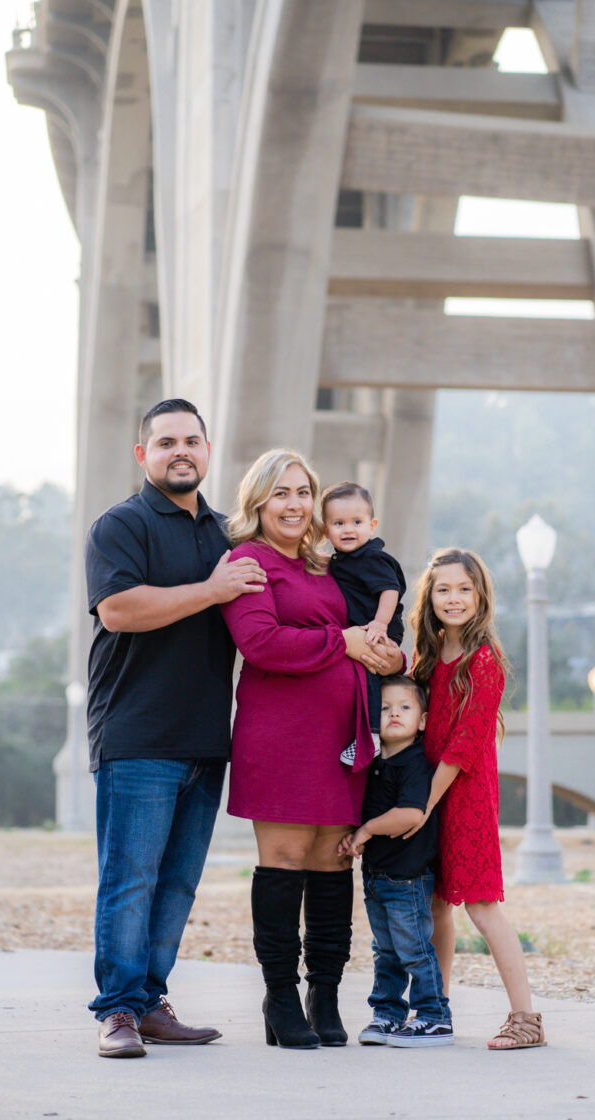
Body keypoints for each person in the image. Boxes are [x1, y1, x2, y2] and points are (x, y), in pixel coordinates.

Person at [85, 398, 267, 1058]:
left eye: (192, 439)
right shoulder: (120, 526)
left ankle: (150, 1000)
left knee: (179, 881)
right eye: (166, 442)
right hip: (135, 734)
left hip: (205, 738)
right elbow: (119, 610)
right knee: (130, 879)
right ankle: (117, 1014)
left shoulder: (227, 534)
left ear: (208, 450)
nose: (179, 450)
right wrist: (212, 591)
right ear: (144, 455)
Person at [219, 449, 404, 1050]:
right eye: (281, 493)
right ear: (258, 502)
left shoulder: (328, 566)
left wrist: (386, 653)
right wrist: (344, 642)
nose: (295, 504)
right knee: (288, 858)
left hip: (343, 740)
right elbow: (263, 642)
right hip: (280, 738)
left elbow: (376, 631)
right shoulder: (247, 561)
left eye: (303, 492)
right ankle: (278, 997)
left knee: (333, 861)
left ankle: (323, 995)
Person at [408, 548, 546, 1050]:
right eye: (443, 589)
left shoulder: (484, 662)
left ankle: (526, 1018)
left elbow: (463, 746)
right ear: (430, 598)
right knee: (437, 906)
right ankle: (435, 1008)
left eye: (464, 588)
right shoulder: (428, 658)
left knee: (482, 907)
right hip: (430, 793)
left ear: (480, 596)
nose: (454, 598)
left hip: (463, 797)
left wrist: (423, 804)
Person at [338, 675, 453, 1047]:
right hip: (377, 876)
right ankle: (387, 1014)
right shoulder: (373, 761)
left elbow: (410, 814)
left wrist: (367, 829)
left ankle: (435, 1017)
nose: (394, 715)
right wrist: (353, 831)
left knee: (414, 950)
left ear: (422, 720)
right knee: (385, 951)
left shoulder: (415, 763)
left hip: (408, 878)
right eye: (385, 708)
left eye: (405, 707)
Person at [321, 481, 406, 768]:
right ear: (326, 530)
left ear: (372, 525)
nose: (348, 529)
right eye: (339, 523)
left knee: (369, 671)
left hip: (378, 626)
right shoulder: (342, 560)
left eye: (357, 522)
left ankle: (371, 737)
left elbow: (390, 589)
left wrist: (380, 624)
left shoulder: (371, 557)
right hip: (364, 627)